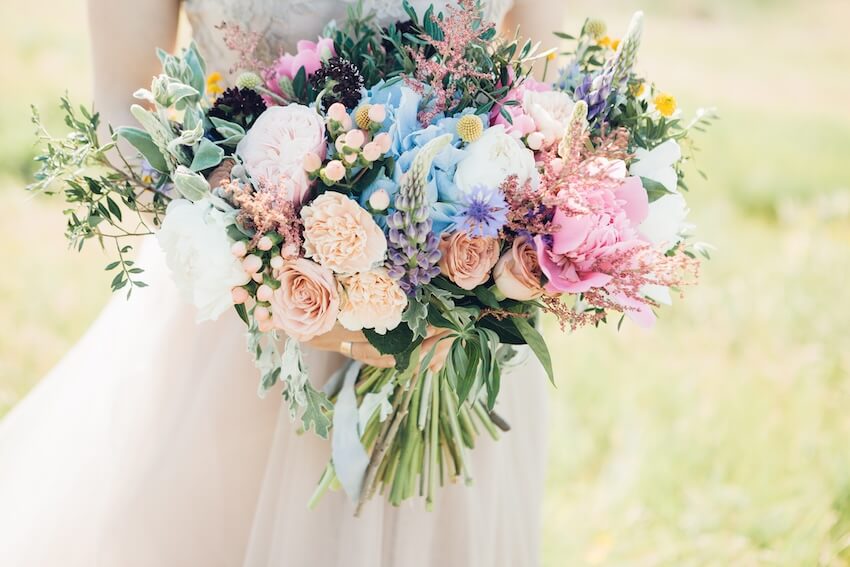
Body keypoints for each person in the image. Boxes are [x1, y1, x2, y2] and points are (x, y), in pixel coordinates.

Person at [0, 1, 565, 565]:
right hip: (249, 316)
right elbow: (121, 105)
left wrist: (470, 283)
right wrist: (260, 248)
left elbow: (548, 93)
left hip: (456, 334)